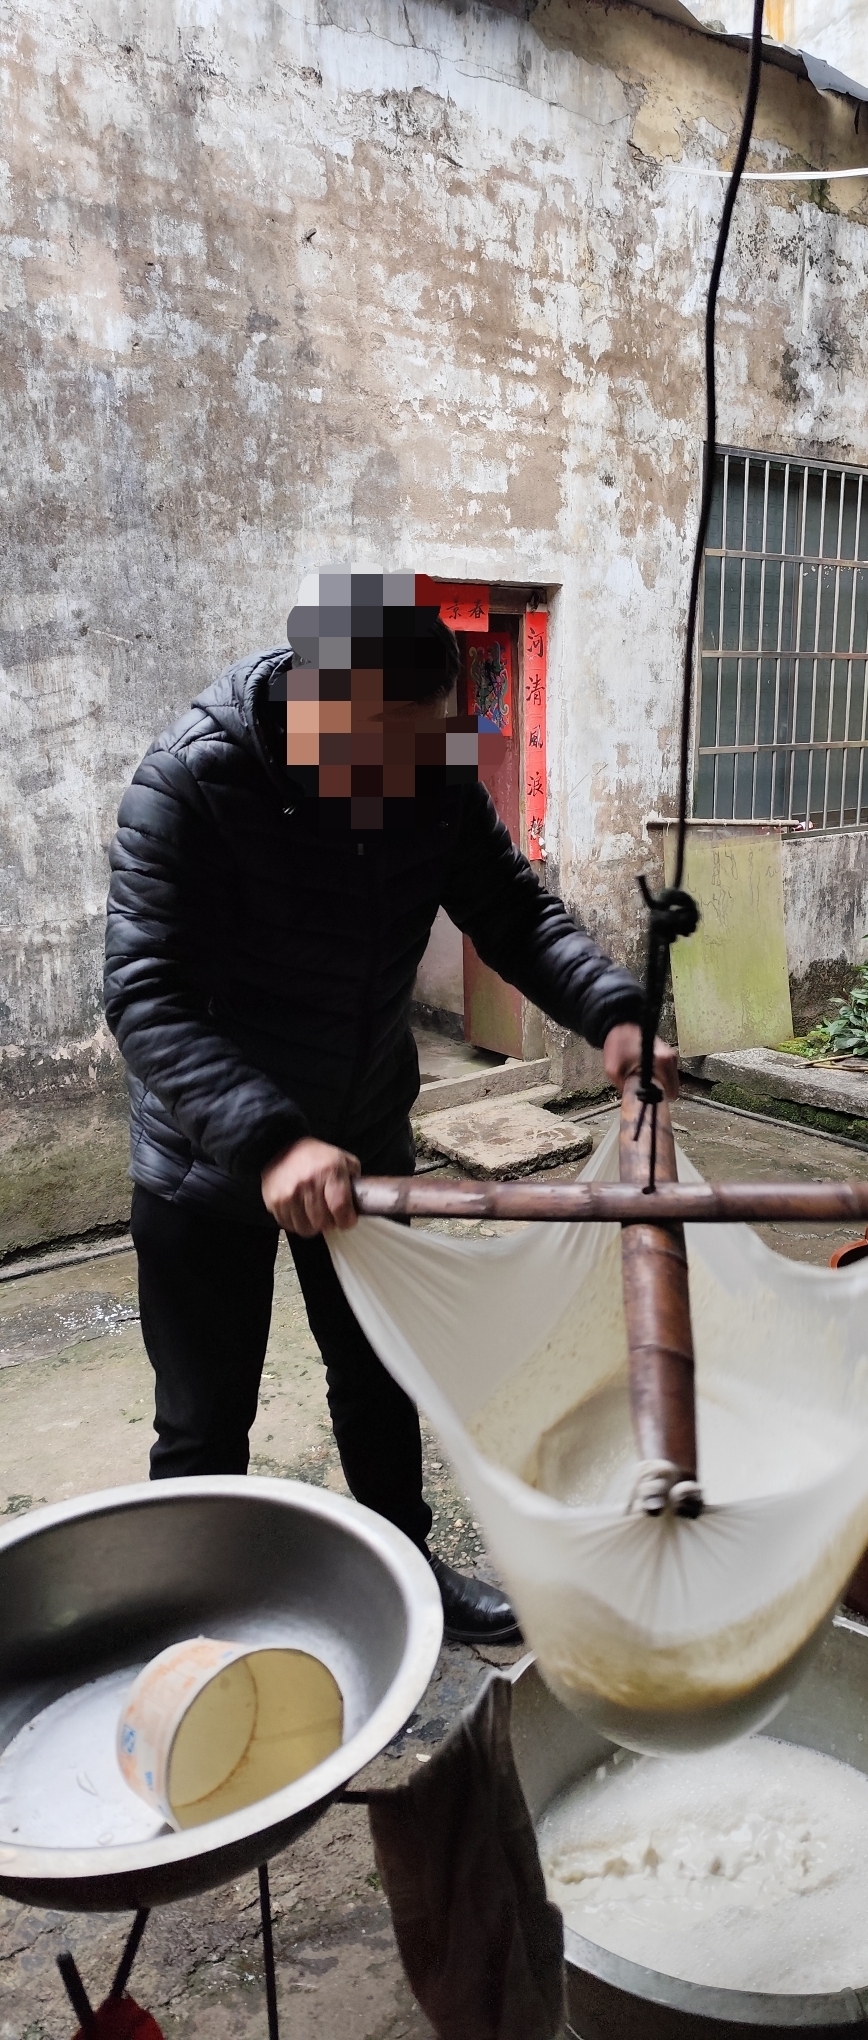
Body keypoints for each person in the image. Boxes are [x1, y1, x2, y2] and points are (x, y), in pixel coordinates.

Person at [104, 566, 678, 1645]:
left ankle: (407, 1577)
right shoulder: (191, 780)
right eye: (381, 747)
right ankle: (197, 1628)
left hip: (362, 1126)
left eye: (426, 742)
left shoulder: (424, 770)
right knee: (203, 1416)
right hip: (207, 1158)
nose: (408, 774)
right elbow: (145, 993)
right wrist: (271, 1139)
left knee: (378, 1376)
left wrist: (609, 1011)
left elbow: (512, 912)